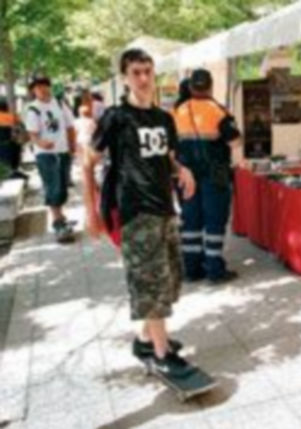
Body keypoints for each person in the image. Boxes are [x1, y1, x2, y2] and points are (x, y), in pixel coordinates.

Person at [83, 48, 198, 377]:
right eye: (136, 72)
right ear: (125, 77)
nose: (144, 78)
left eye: (148, 71)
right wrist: (92, 212)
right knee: (151, 285)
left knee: (172, 280)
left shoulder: (164, 118)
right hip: (135, 211)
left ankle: (146, 339)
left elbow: (163, 157)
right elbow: (88, 161)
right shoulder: (116, 118)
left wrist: (182, 169)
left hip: (165, 208)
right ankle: (162, 355)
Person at [172, 68, 245, 284]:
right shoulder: (218, 111)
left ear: (191, 86)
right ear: (211, 86)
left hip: (186, 175)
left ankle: (192, 269)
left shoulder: (177, 112)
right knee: (214, 220)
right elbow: (235, 142)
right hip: (216, 173)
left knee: (190, 220)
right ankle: (214, 269)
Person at [24, 73, 77, 242]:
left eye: (44, 85)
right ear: (33, 91)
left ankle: (61, 217)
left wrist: (72, 146)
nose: (42, 89)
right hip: (45, 155)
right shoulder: (33, 109)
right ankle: (58, 223)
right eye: (38, 87)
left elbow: (70, 127)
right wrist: (41, 143)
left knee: (62, 185)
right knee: (53, 186)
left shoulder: (60, 104)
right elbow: (32, 135)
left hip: (63, 152)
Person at [0, 98, 26, 181]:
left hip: (5, 146)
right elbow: (21, 127)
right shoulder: (12, 117)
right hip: (10, 145)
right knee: (11, 165)